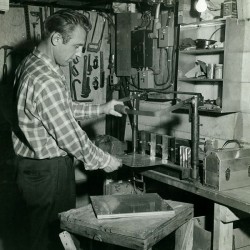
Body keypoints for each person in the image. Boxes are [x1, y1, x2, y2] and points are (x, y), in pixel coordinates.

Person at [12, 9, 123, 250]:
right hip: (47, 173)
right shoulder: (45, 78)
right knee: (51, 240)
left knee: (52, 235)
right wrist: (104, 160)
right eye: (76, 46)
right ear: (56, 39)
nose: (80, 54)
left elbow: (61, 109)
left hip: (33, 168)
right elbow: (70, 136)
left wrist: (102, 107)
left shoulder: (33, 63)